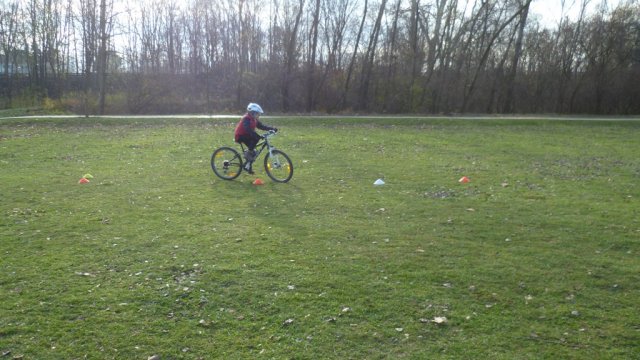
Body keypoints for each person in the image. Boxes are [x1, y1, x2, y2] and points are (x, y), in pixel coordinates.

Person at [234, 103, 277, 174]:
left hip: (246, 135)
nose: (259, 115)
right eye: (258, 114)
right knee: (255, 140)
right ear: (252, 113)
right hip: (240, 136)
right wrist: (256, 135)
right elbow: (247, 129)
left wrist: (272, 128)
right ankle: (248, 154)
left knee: (253, 152)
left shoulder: (254, 119)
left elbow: (262, 126)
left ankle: (248, 166)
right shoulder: (246, 119)